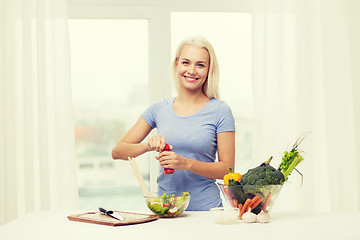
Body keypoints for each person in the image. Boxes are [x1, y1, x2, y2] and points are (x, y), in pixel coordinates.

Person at [112, 36, 235, 210]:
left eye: (200, 65)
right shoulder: (158, 109)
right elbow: (118, 152)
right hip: (166, 209)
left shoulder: (220, 110)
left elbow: (228, 171)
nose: (191, 70)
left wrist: (186, 163)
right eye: (186, 62)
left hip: (206, 210)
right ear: (177, 64)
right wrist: (148, 145)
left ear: (209, 70)